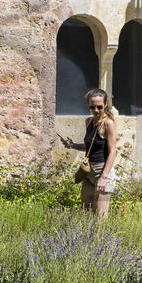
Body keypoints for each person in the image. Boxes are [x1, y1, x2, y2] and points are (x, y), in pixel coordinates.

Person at [58, 87, 118, 217]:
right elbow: (89, 146)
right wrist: (73, 145)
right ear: (88, 106)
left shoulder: (108, 124)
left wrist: (103, 177)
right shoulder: (89, 121)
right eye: (92, 107)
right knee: (86, 215)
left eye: (99, 107)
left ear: (105, 105)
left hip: (102, 171)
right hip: (88, 170)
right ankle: (87, 238)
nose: (96, 110)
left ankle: (101, 238)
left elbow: (113, 152)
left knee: (100, 217)